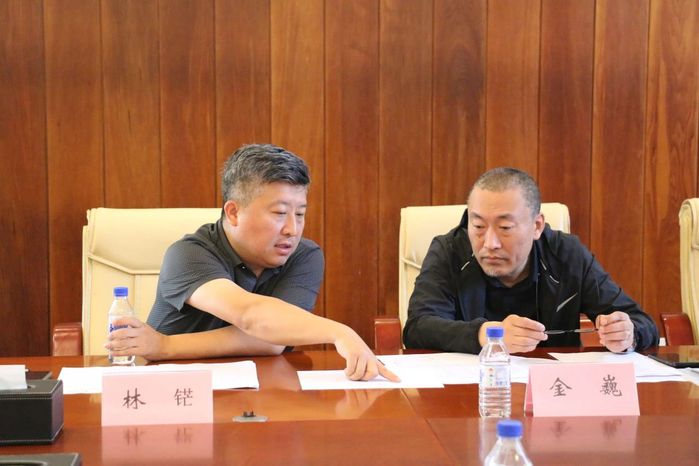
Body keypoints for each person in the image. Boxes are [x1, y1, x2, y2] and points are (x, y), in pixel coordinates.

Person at [106, 143, 398, 382]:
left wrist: (166, 345)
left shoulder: (304, 255)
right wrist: (339, 332)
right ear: (233, 213)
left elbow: (272, 339)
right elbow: (251, 316)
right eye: (279, 213)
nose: (292, 230)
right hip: (175, 389)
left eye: (300, 214)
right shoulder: (187, 254)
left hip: (261, 389)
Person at [403, 167, 659, 354]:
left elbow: (643, 323)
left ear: (537, 226)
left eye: (505, 228)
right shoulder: (449, 251)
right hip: (469, 394)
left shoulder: (566, 254)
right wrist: (489, 334)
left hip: (553, 396)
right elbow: (417, 328)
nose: (489, 243)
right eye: (478, 226)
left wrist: (627, 334)